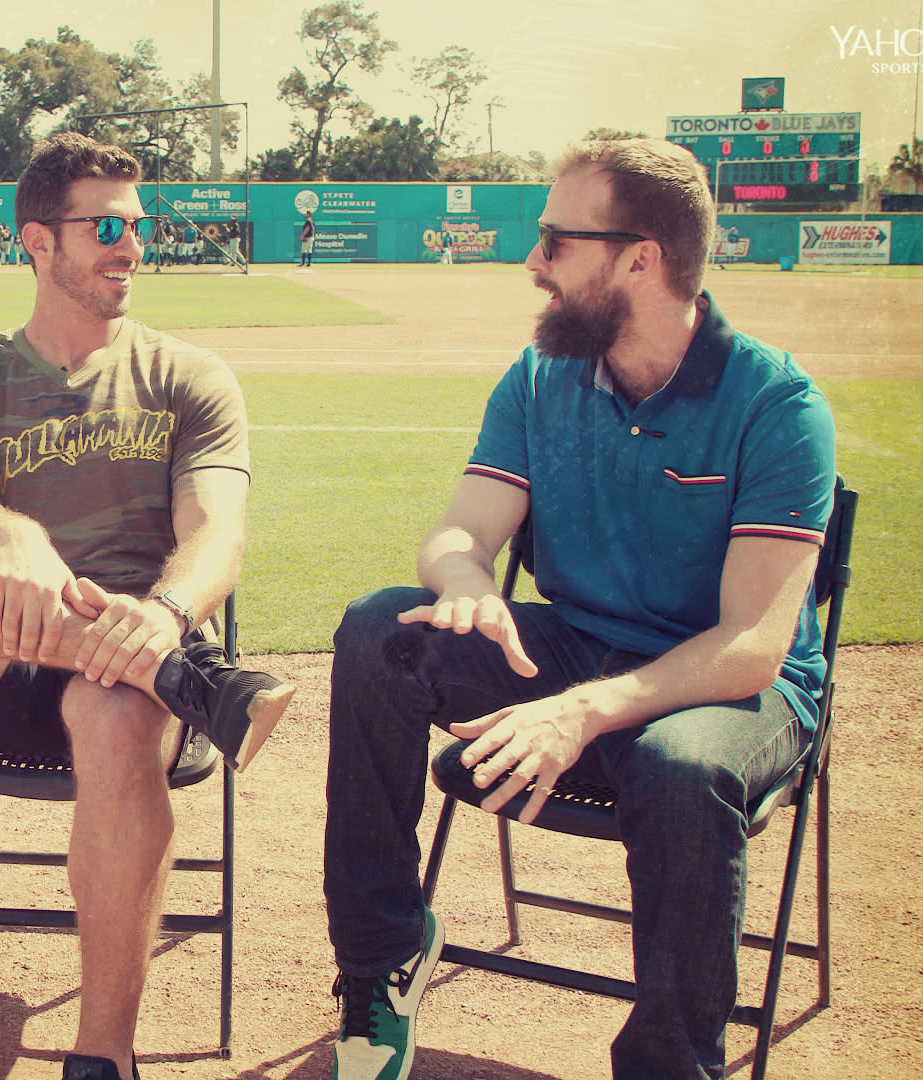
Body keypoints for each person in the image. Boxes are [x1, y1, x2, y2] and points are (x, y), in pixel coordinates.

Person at [321, 138, 836, 1080]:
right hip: (580, 648)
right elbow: (457, 534)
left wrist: (582, 711)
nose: (533, 264)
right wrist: (468, 581)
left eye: (557, 241)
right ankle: (382, 960)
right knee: (379, 631)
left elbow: (752, 647)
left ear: (640, 256)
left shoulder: (777, 403)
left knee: (680, 763)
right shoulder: (541, 376)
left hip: (728, 689)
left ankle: (670, 1065)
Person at [0, 132, 295, 1080]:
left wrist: (167, 614)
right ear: (37, 242)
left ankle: (101, 1059)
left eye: (138, 225)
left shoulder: (189, 375)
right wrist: (12, 534)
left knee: (115, 706)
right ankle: (186, 679)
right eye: (106, 227)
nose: (132, 245)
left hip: (134, 667)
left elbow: (218, 534)